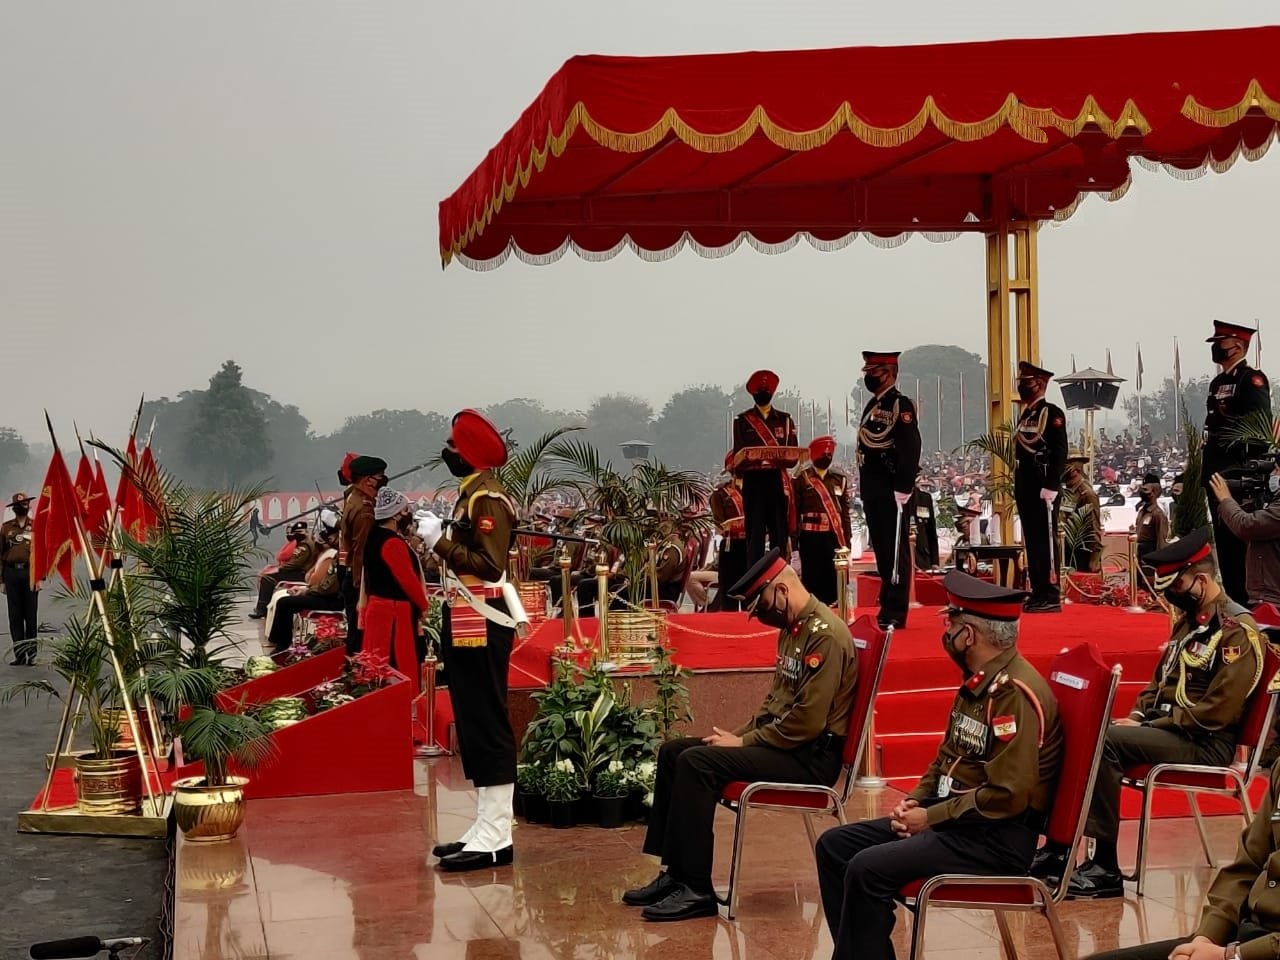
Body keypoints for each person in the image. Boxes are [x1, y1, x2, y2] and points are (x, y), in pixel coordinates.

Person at [816, 570, 1063, 960]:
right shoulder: (980, 681)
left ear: (971, 635)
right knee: (835, 846)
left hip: (993, 839)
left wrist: (931, 818)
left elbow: (1008, 795)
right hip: (958, 823)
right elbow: (947, 757)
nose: (946, 631)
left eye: (952, 623)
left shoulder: (1013, 694)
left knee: (866, 868)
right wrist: (915, 801)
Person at [623, 548, 858, 921]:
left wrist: (745, 743)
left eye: (760, 603)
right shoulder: (793, 628)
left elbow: (808, 722)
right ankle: (676, 873)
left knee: (698, 764)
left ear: (781, 591)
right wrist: (737, 735)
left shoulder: (824, 635)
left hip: (810, 757)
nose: (759, 615)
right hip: (786, 746)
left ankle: (697, 888)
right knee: (674, 751)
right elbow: (774, 705)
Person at [1032, 527, 1265, 898]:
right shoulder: (1189, 623)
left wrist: (1154, 723)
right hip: (1171, 733)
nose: (1169, 594)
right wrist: (1139, 718)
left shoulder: (1237, 632)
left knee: (1106, 741)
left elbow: (1217, 712)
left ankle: (1105, 866)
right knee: (1090, 730)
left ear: (1200, 580)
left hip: (1204, 742)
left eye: (1176, 585)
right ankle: (1058, 846)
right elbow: (1158, 684)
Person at [421, 409, 519, 873]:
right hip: (466, 617)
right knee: (474, 724)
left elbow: (491, 565)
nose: (448, 452)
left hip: (483, 617)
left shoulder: (488, 500)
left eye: (453, 446)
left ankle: (497, 833)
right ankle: (485, 826)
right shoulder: (471, 496)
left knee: (488, 722)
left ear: (471, 454)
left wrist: (440, 541)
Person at [1082, 756, 1280, 960]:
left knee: (1109, 746)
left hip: (1264, 949)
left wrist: (1231, 956)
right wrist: (1206, 938)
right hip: (1246, 933)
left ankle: (1103, 867)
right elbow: (1247, 866)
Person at [1204, 321, 1272, 603]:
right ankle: (1233, 601)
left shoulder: (1251, 379)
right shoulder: (1218, 382)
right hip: (1216, 471)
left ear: (1238, 346)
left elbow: (1258, 427)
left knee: (1240, 542)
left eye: (1221, 343)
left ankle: (1248, 604)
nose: (1216, 349)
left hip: (1238, 472)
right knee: (1224, 543)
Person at [856, 351, 921, 629]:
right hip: (874, 488)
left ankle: (896, 609)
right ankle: (887, 600)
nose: (869, 377)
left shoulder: (900, 405)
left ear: (889, 372)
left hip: (893, 489)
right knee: (882, 549)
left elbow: (910, 447)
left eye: (874, 372)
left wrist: (903, 486)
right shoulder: (874, 404)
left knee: (895, 550)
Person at [359, 488, 429, 694]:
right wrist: (424, 606)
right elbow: (408, 581)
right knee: (395, 660)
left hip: (378, 607)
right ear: (396, 515)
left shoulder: (373, 538)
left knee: (375, 660)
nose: (409, 514)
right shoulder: (392, 543)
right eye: (405, 510)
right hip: (393, 613)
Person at [1012, 361, 1068, 612]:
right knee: (1032, 538)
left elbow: (1059, 452)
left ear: (1041, 383)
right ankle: (1037, 589)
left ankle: (1050, 592)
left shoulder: (1052, 413)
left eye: (1027, 380)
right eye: (1021, 380)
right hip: (1026, 479)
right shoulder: (1027, 415)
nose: (1022, 384)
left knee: (1045, 538)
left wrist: (1052, 484)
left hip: (1043, 480)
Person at [733, 369, 798, 565]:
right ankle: (755, 581)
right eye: (760, 390)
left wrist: (777, 458)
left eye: (767, 389)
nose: (764, 392)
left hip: (776, 480)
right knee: (755, 535)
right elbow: (738, 455)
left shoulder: (784, 420)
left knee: (780, 530)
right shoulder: (742, 421)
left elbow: (793, 454)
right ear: (753, 394)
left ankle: (780, 575)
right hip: (754, 482)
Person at [265, 514, 343, 652]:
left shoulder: (338, 556)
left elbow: (329, 587)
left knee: (285, 603)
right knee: (285, 601)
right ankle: (279, 643)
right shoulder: (337, 554)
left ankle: (281, 646)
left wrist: (307, 590)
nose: (330, 541)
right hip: (324, 595)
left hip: (333, 600)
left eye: (331, 538)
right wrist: (305, 589)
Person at [1210, 458, 1280, 607]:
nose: (1273, 474)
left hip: (1273, 596)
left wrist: (1226, 499)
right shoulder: (1273, 501)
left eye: (1277, 470)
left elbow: (1247, 526)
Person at [792, 435, 852, 605]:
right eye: (823, 454)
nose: (826, 457)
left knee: (835, 583)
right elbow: (794, 513)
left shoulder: (839, 479)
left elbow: (844, 514)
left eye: (829, 454)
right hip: (810, 539)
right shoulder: (801, 478)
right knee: (813, 583)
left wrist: (847, 544)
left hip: (833, 538)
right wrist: (794, 547)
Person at [339, 455, 386, 653]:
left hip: (350, 573)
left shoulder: (353, 497)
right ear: (368, 480)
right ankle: (356, 673)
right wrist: (362, 587)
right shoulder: (365, 510)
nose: (382, 482)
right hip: (359, 577)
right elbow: (361, 550)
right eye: (380, 478)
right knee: (358, 633)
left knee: (354, 629)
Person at [249, 521, 317, 619]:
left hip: (300, 574)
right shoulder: (304, 542)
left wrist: (278, 570)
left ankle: (262, 609)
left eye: (300, 532)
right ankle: (263, 608)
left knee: (267, 578)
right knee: (268, 576)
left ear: (305, 532)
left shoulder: (304, 545)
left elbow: (294, 564)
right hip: (298, 571)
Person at [1, 493, 39, 666]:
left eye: (25, 503)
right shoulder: (6, 528)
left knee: (30, 615)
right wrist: (1, 581)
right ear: (14, 508)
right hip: (11, 574)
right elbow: (0, 555)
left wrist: (40, 577)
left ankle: (31, 653)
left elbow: (41, 553)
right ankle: (19, 654)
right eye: (20, 504)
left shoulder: (36, 526)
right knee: (15, 616)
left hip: (30, 573)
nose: (23, 505)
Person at [709, 452, 747, 611]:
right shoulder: (720, 494)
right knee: (728, 591)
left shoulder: (756, 492)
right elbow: (719, 523)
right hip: (730, 546)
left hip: (750, 545)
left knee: (749, 591)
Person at [1061, 452, 1103, 573]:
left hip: (1081, 551)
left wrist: (1095, 557)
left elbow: (1093, 525)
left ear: (1076, 468)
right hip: (1067, 550)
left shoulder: (1087, 494)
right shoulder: (1067, 492)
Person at [1134, 472, 1170, 563]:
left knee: (1148, 576)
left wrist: (1159, 559)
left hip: (1150, 551)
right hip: (1140, 550)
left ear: (1154, 492)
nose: (1142, 493)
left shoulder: (1157, 514)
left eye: (1145, 490)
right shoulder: (1143, 511)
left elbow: (1161, 539)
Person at [911, 485, 940, 572]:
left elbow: (931, 531)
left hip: (923, 558)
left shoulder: (924, 498)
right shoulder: (893, 498)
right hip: (901, 558)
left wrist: (934, 561)